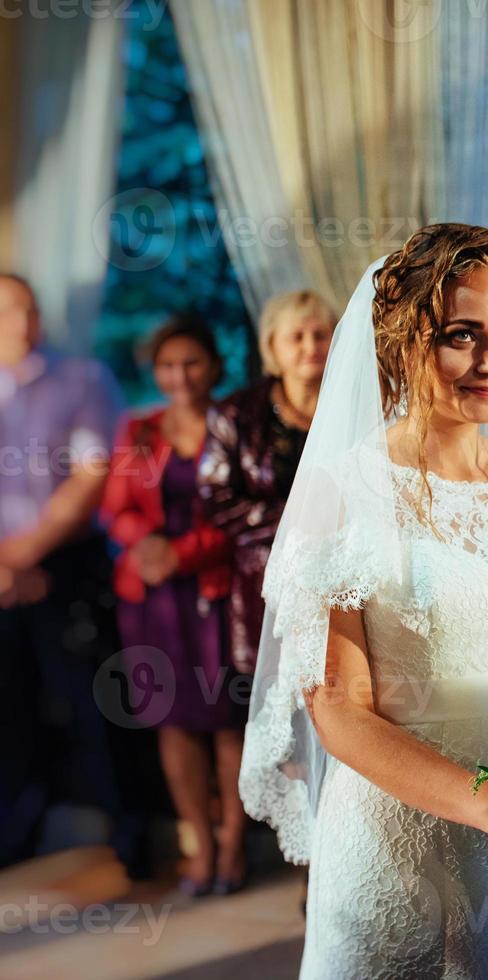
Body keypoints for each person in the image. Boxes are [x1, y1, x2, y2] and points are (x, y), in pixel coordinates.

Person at [239, 224, 488, 978]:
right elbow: (339, 709)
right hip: (397, 843)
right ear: (403, 341)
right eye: (463, 337)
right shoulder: (346, 492)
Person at [0, 273, 146, 875]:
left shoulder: (84, 379)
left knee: (96, 705)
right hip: (4, 570)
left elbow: (93, 475)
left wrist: (23, 558)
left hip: (65, 563)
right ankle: (13, 837)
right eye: (10, 309)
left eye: (30, 307)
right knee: (8, 709)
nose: (23, 319)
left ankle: (132, 838)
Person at [102, 315, 243, 895]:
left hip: (216, 588)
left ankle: (233, 845)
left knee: (227, 720)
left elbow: (240, 513)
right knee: (173, 722)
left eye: (190, 362)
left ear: (213, 365)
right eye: (166, 364)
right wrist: (148, 545)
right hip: (153, 597)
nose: (179, 375)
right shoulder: (139, 429)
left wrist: (181, 553)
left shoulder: (233, 423)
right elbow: (117, 507)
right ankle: (199, 847)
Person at [199, 289, 334, 676]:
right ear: (272, 346)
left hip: (340, 578)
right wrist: (299, 521)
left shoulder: (355, 407)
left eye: (321, 334)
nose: (311, 346)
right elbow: (215, 497)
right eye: (297, 336)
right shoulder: (236, 413)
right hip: (264, 580)